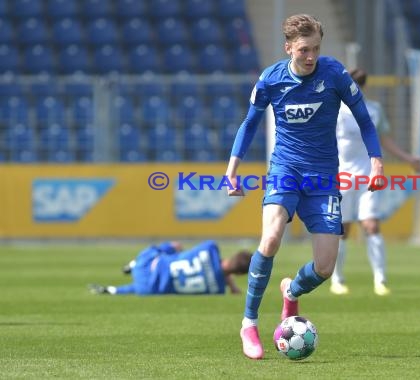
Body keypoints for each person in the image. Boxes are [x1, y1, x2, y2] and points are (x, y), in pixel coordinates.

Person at [225, 14, 384, 360]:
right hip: (285, 170)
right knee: (270, 238)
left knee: (325, 267)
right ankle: (248, 323)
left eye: (314, 49)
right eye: (302, 50)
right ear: (288, 48)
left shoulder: (335, 74)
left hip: (324, 178)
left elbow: (365, 120)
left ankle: (291, 290)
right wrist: (232, 169)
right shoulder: (271, 79)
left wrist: (376, 161)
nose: (310, 56)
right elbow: (249, 125)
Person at [330, 68, 420, 296]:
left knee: (372, 225)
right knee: (343, 229)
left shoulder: (373, 110)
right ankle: (337, 280)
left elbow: (383, 139)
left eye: (359, 85)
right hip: (341, 176)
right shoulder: (335, 110)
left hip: (369, 176)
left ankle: (380, 280)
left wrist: (408, 158)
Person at [89, 240, 253, 295]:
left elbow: (216, 264)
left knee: (170, 247)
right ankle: (112, 290)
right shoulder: (218, 289)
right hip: (148, 289)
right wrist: (232, 286)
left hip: (148, 266)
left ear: (233, 256)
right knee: (143, 288)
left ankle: (132, 265)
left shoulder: (211, 248)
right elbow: (220, 274)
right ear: (238, 273)